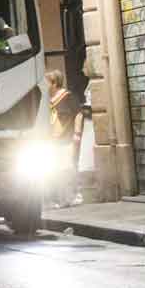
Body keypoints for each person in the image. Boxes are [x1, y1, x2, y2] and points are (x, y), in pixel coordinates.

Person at [46, 70, 83, 207]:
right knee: (54, 169)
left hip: (67, 139)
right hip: (53, 140)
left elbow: (78, 114)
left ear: (54, 83)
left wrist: (77, 133)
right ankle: (60, 199)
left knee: (69, 168)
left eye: (46, 82)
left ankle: (75, 195)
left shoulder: (67, 97)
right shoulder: (48, 100)